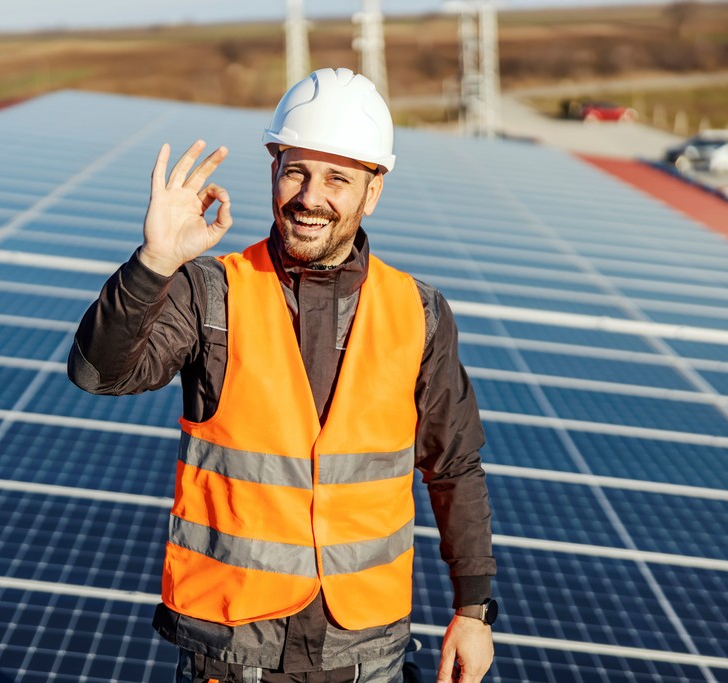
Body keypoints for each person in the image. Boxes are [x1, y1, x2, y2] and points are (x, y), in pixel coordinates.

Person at [68, 67, 497, 683]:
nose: (310, 196)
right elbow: (98, 373)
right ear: (273, 170)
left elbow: (453, 465)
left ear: (372, 192)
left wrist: (474, 609)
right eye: (295, 170)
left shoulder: (419, 312)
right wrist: (155, 262)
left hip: (366, 651)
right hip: (235, 648)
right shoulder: (209, 291)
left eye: (338, 179)